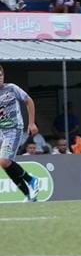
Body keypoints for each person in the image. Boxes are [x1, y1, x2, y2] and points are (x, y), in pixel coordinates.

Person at [0, 65, 42, 201]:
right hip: (2, 131)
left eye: (0, 75)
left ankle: (32, 180)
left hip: (14, 128)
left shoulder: (11, 88)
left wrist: (31, 123)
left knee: (4, 161)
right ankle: (28, 194)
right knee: (6, 164)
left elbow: (28, 101)